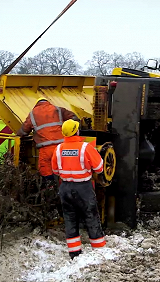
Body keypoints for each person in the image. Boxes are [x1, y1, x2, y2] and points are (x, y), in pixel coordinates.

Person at [51, 119, 106, 259]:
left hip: (65, 188)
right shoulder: (85, 147)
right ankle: (99, 251)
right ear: (76, 131)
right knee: (91, 217)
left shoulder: (58, 149)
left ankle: (74, 253)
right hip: (83, 188)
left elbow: (55, 170)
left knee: (70, 219)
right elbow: (99, 167)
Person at [17, 98, 78, 180]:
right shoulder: (57, 109)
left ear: (37, 104)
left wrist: (18, 135)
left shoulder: (33, 113)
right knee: (64, 169)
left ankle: (49, 189)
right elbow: (74, 118)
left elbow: (24, 131)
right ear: (47, 102)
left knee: (46, 171)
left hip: (45, 148)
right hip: (62, 147)